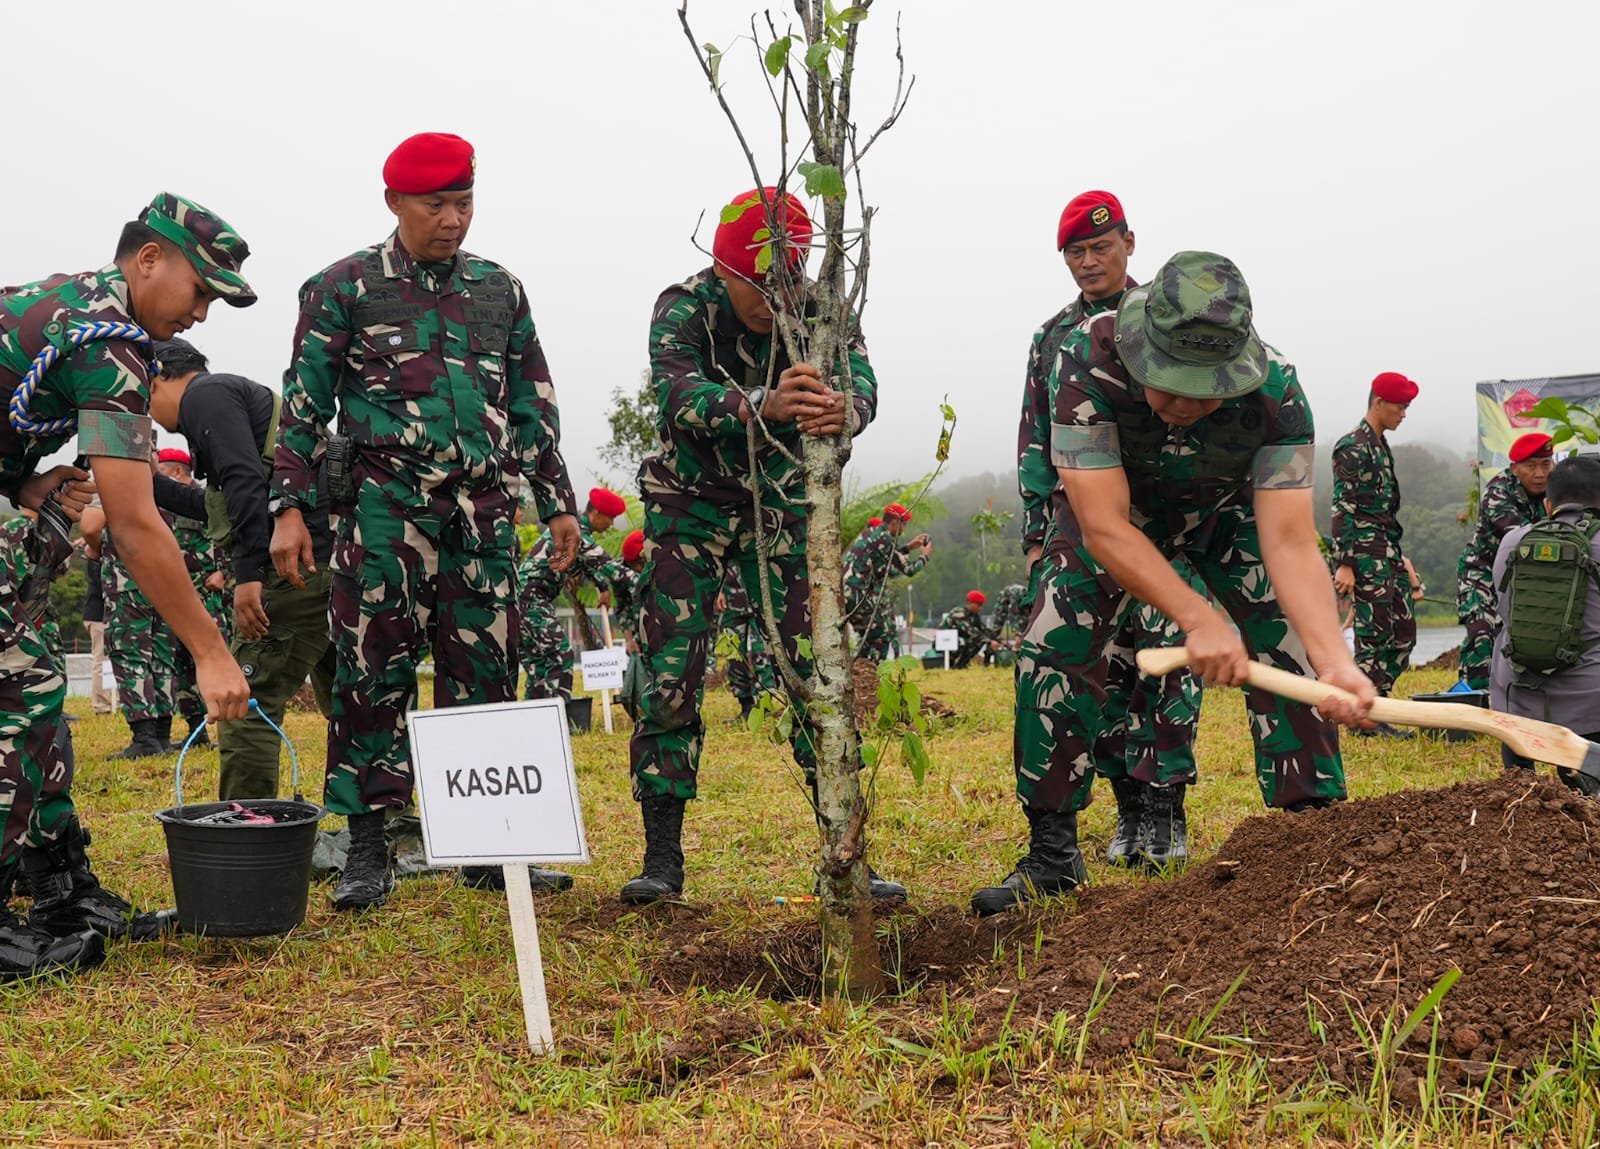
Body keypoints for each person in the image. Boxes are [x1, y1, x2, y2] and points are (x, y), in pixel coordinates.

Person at [973, 250, 1374, 916]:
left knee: (1298, 647)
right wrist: (1198, 615)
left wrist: (1335, 660)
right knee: (1054, 638)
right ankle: (1052, 855)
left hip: (1224, 515)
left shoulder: (1278, 392)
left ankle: (1315, 839)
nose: (1186, 403)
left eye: (1205, 386)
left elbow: (1289, 539)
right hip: (1115, 510)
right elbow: (1101, 524)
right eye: (1170, 382)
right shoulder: (1087, 358)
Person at [270, 133, 581, 912]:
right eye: (436, 204)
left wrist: (559, 501)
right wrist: (289, 510)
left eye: (464, 202)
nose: (453, 219)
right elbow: (303, 407)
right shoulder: (343, 287)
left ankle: (485, 848)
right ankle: (368, 848)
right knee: (373, 673)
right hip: (385, 511)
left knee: (486, 674)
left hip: (484, 512)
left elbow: (532, 402)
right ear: (394, 204)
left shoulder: (498, 289)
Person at [623, 186, 905, 905]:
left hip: (780, 504)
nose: (776, 296)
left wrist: (848, 408)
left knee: (817, 668)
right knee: (670, 671)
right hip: (688, 504)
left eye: (789, 276)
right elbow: (676, 394)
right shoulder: (684, 307)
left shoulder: (822, 310)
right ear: (724, 268)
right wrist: (760, 404)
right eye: (759, 280)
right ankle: (663, 861)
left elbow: (862, 380)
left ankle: (843, 851)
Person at [0, 192, 255, 976]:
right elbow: (136, 521)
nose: (203, 315)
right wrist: (211, 654)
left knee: (32, 684)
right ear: (149, 258)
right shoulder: (107, 335)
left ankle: (60, 882)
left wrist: (22, 483)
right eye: (201, 290)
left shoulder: (81, 310)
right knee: (20, 688)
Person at [1011, 190, 1201, 874]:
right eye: (1076, 252)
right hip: (1083, 524)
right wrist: (1037, 536)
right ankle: (1125, 802)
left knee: (1166, 659)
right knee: (1105, 672)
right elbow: (1036, 440)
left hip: (1163, 518)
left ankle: (1166, 804)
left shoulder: (1169, 320)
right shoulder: (1052, 336)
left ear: (1129, 242)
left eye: (1100, 247)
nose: (1089, 262)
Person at [146, 337, 337, 800]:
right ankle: (380, 825)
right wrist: (144, 483)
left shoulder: (204, 396)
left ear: (158, 378)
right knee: (352, 702)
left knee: (245, 702)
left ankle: (248, 833)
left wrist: (248, 577)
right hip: (336, 564)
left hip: (293, 571)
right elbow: (223, 499)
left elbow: (244, 481)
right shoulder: (239, 401)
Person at [1492, 455, 1600, 794]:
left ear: (1548, 503)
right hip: (1590, 713)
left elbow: (1503, 607)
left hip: (1519, 707)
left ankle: (1519, 784)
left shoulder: (1513, 542)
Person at [1331, 372, 1419, 731]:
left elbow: (1385, 512)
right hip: (1364, 554)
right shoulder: (1352, 446)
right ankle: (1363, 718)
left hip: (1387, 551)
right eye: (1400, 406)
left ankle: (1375, 703)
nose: (1404, 414)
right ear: (1378, 403)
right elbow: (1343, 507)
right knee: (1372, 636)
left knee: (1403, 634)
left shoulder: (1380, 446)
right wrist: (1345, 563)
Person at [84, 493, 180, 759]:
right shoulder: (161, 489)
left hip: (128, 579)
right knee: (162, 655)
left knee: (130, 655)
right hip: (166, 580)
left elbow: (90, 526)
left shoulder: (114, 480)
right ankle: (162, 735)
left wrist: (97, 548)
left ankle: (145, 737)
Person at [1457, 432, 1553, 690]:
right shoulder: (1499, 490)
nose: (1540, 473)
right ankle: (1475, 698)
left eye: (1546, 464)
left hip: (1523, 578)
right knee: (1482, 633)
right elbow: (1519, 537)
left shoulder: (1557, 489)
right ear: (1515, 468)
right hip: (1482, 574)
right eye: (1531, 466)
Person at [518, 487, 625, 703]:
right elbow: (609, 566)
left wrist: (602, 588)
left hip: (525, 598)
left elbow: (586, 565)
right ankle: (560, 716)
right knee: (561, 653)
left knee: (540, 664)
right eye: (610, 518)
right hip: (531, 598)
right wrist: (640, 581)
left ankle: (536, 717)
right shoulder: (575, 533)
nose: (612, 524)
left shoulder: (575, 533)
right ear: (595, 513)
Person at [158, 446, 228, 748]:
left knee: (216, 659)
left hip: (209, 592)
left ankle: (232, 732)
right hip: (180, 593)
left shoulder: (207, 500)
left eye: (161, 470)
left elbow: (230, 533)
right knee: (182, 666)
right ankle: (196, 731)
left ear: (176, 471)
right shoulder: (166, 506)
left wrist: (224, 573)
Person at [843, 503, 930, 660]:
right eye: (903, 524)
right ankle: (871, 674)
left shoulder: (869, 533)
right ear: (895, 522)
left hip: (847, 594)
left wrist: (908, 548)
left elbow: (886, 560)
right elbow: (908, 570)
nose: (903, 529)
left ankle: (861, 671)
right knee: (883, 634)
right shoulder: (886, 538)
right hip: (859, 596)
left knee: (869, 635)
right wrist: (925, 555)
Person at [614, 528, 649, 721]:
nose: (637, 569)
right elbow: (622, 608)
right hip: (637, 628)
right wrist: (629, 640)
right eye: (633, 565)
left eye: (640, 564)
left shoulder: (663, 564)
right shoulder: (620, 573)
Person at [81, 531, 113, 715]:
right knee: (100, 661)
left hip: (96, 616)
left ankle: (105, 702)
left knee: (101, 660)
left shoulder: (97, 563)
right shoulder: (98, 566)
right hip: (98, 616)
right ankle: (101, 705)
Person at [939, 591, 1001, 669]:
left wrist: (999, 640)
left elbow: (983, 629)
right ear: (970, 603)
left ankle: (961, 665)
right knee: (973, 640)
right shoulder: (959, 613)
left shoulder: (974, 616)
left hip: (957, 644)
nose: (980, 608)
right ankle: (954, 664)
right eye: (978, 605)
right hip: (945, 643)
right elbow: (970, 631)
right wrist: (989, 641)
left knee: (978, 640)